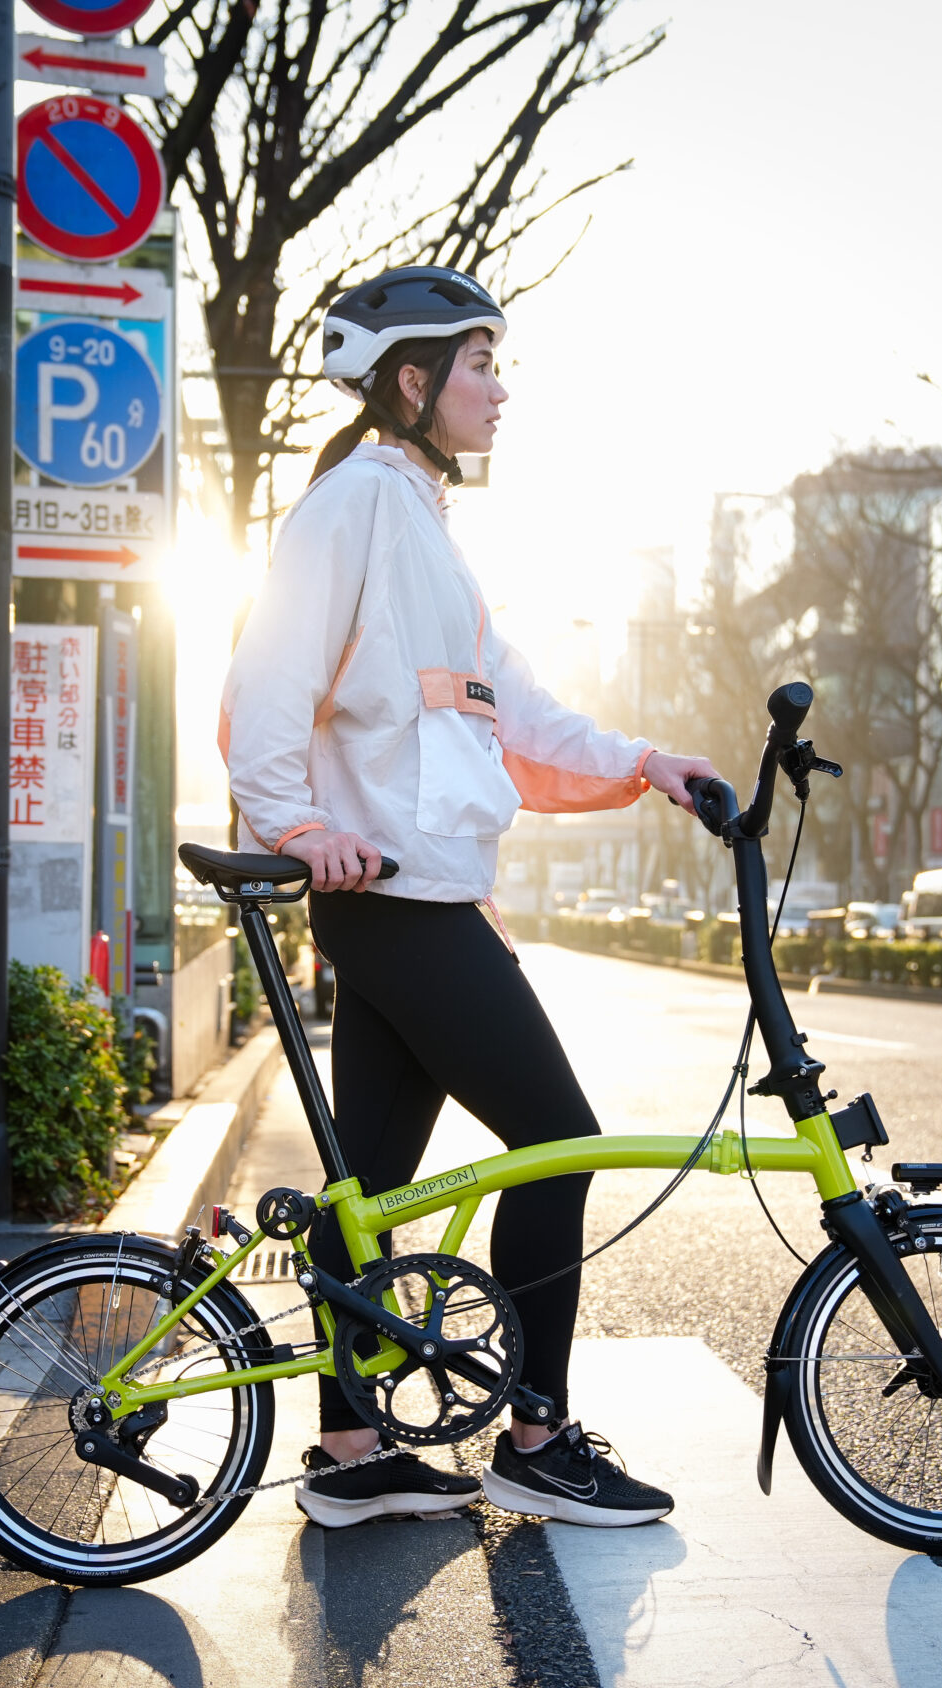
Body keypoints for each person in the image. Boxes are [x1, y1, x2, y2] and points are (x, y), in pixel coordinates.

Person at [219, 265, 721, 1530]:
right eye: (481, 365)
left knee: (368, 1185)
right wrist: (296, 825)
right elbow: (265, 680)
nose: (500, 391)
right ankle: (535, 1438)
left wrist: (647, 763)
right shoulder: (353, 507)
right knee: (559, 1138)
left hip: (420, 894)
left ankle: (349, 1453)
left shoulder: (426, 530)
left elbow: (517, 717)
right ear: (414, 380)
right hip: (393, 899)